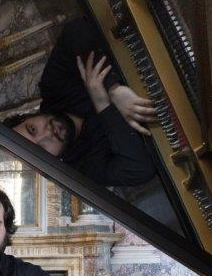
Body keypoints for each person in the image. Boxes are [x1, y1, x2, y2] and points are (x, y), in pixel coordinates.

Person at [8, 17, 157, 186]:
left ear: (27, 117)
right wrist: (103, 104)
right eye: (41, 149)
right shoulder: (86, 167)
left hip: (148, 48)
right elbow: (140, 170)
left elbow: (77, 30)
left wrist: (113, 89)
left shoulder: (53, 87)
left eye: (33, 129)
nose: (47, 134)